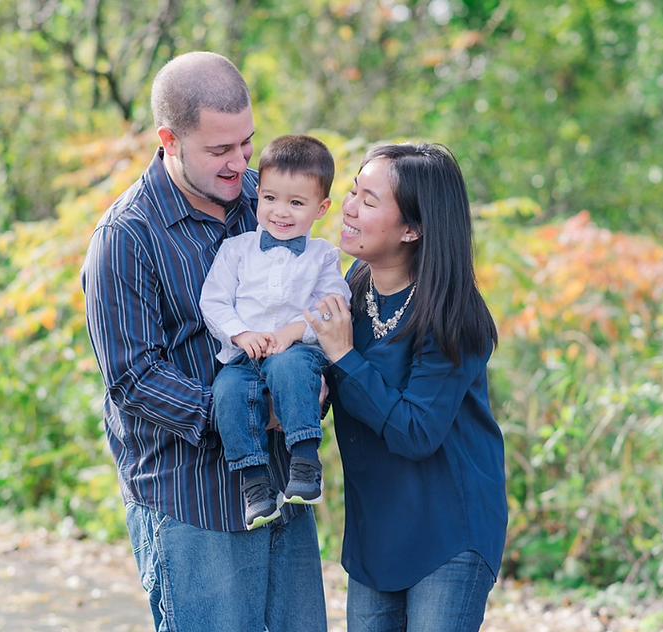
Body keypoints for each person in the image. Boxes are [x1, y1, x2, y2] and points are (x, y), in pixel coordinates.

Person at [81, 52, 327, 632]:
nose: (240, 163)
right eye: (220, 150)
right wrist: (249, 411)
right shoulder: (126, 238)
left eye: (246, 143)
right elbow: (133, 377)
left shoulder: (262, 201)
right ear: (169, 139)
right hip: (189, 501)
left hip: (281, 487)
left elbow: (312, 296)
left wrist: (311, 389)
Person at [306, 142, 508, 632]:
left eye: (370, 201)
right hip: (376, 530)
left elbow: (416, 432)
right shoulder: (350, 287)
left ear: (412, 229)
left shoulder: (453, 315)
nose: (348, 207)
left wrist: (343, 357)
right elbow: (336, 388)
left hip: (449, 530)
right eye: (354, 191)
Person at [200, 134, 351, 530]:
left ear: (320, 208)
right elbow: (214, 302)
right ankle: (255, 485)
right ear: (258, 197)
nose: (280, 211)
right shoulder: (237, 250)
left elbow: (334, 304)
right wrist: (240, 334)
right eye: (270, 198)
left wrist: (296, 329)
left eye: (296, 203)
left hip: (297, 350)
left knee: (289, 369)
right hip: (244, 355)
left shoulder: (323, 255)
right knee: (227, 392)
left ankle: (304, 461)